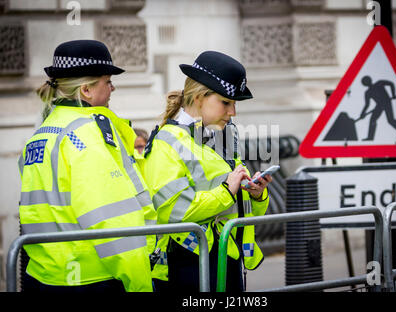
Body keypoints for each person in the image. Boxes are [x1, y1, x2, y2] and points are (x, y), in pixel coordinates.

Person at [18, 40, 156, 292]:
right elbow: (112, 220)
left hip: (45, 277)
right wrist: (141, 285)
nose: (113, 87)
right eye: (107, 81)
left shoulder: (41, 134)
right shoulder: (87, 134)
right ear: (86, 91)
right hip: (92, 278)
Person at [140, 51, 272, 292]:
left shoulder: (223, 134)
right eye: (226, 102)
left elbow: (238, 207)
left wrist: (255, 194)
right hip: (187, 261)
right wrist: (226, 191)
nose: (233, 112)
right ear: (200, 97)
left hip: (225, 254)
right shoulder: (165, 142)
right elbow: (174, 211)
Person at [359, 75, 396, 142]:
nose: (366, 83)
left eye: (366, 81)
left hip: (387, 102)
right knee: (373, 119)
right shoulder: (367, 92)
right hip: (379, 105)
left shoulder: (379, 83)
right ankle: (370, 137)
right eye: (365, 82)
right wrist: (362, 113)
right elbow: (367, 104)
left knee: (390, 119)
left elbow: (391, 84)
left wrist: (393, 94)